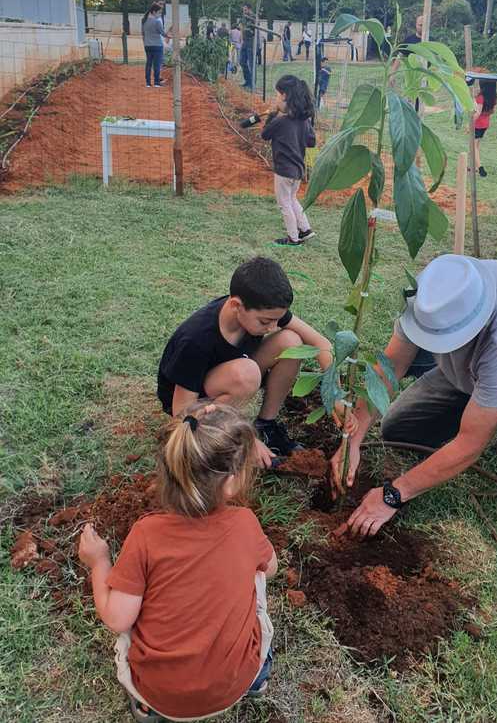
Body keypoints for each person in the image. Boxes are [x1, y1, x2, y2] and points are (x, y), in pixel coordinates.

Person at [331, 254, 497, 535]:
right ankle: (493, 408)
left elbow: (471, 443)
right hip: (470, 371)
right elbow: (390, 367)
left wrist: (394, 494)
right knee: (398, 429)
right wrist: (353, 441)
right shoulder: (431, 297)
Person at [79, 401, 278, 722]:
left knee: (132, 607)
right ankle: (258, 677)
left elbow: (118, 619)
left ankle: (145, 707)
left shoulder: (146, 534)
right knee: (258, 576)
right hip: (232, 684)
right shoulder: (244, 522)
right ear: (230, 481)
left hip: (161, 694)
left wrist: (99, 562)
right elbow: (271, 568)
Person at [157, 257, 331, 463]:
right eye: (266, 321)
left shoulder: (261, 310)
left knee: (291, 342)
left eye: (277, 319)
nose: (273, 327)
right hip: (192, 403)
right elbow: (181, 412)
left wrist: (334, 393)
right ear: (236, 305)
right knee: (246, 374)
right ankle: (220, 436)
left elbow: (321, 344)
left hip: (232, 373)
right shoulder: (196, 339)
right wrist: (243, 436)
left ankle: (266, 426)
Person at [261, 75, 317, 246]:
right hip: (298, 170)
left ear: (284, 96)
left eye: (277, 94)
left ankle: (293, 238)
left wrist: (272, 115)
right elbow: (311, 141)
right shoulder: (304, 120)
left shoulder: (281, 121)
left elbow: (265, 134)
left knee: (284, 203)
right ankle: (305, 230)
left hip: (284, 170)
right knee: (292, 199)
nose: (276, 98)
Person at [472, 74, 497, 178]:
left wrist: (469, 124)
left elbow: (477, 113)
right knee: (476, 145)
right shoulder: (493, 97)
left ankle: (480, 168)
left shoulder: (481, 97)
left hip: (477, 124)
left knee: (473, 147)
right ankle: (472, 166)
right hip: (485, 124)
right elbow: (493, 111)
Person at [141, 4, 170, 88]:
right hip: (157, 45)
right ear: (154, 12)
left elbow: (143, 33)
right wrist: (170, 36)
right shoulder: (157, 21)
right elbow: (162, 33)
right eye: (159, 13)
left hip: (147, 45)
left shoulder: (144, 21)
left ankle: (148, 83)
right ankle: (157, 82)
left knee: (148, 64)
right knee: (157, 64)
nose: (160, 15)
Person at [240, 5, 255, 88]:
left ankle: (252, 83)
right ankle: (247, 80)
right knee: (242, 61)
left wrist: (249, 17)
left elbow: (257, 22)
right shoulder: (243, 18)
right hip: (244, 41)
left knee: (251, 63)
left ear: (250, 9)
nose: (244, 12)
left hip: (251, 41)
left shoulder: (253, 16)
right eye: (243, 10)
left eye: (245, 10)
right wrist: (241, 39)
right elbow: (242, 28)